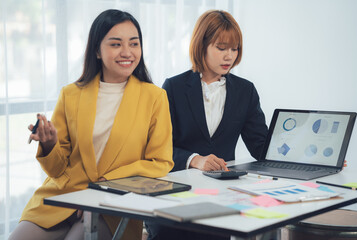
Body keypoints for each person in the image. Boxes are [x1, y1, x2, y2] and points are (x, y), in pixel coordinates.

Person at [9, 9, 174, 240]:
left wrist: (106, 184)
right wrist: (48, 145)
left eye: (134, 44)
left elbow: (160, 162)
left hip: (111, 203)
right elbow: (58, 169)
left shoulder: (155, 97)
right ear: (97, 50)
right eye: (116, 44)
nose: (127, 52)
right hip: (63, 197)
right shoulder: (70, 94)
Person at [145, 10, 268, 240]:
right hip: (175, 193)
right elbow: (156, 149)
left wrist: (312, 160)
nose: (229, 56)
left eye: (234, 49)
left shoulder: (245, 91)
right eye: (221, 48)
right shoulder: (173, 87)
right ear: (202, 46)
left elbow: (262, 146)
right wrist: (195, 160)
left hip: (220, 197)